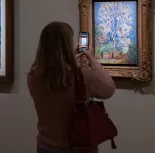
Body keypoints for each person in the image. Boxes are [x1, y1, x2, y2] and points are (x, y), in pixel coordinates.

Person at [27, 22, 116, 153]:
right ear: (66, 45)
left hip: (46, 146)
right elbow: (109, 89)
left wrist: (68, 60)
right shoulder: (82, 74)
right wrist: (91, 58)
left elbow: (56, 88)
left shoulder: (33, 77)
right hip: (78, 147)